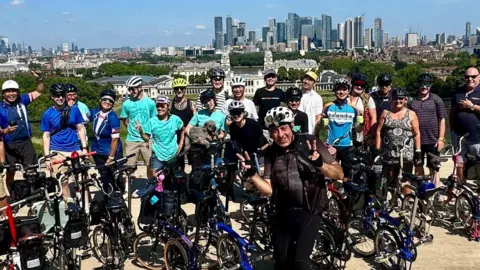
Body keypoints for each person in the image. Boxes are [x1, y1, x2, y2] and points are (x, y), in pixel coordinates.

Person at [237, 106, 343, 270]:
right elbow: (269, 190)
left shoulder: (309, 142)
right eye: (274, 131)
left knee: (300, 263)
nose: (280, 135)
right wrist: (253, 175)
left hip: (310, 211)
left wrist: (320, 164)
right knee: (281, 262)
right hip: (283, 213)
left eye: (283, 128)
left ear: (292, 125)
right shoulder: (271, 152)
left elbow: (339, 173)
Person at [0, 71, 44, 201]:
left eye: (14, 91)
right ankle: (12, 195)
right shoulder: (0, 108)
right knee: (10, 172)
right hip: (9, 144)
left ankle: (33, 196)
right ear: (3, 94)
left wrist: (40, 79)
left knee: (32, 171)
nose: (11, 94)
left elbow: (39, 91)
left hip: (25, 142)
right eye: (8, 91)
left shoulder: (22, 101)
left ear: (18, 92)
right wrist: (4, 131)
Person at [41, 84, 88, 198]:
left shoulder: (74, 110)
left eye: (62, 95)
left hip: (75, 148)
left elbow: (80, 128)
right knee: (63, 180)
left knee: (83, 179)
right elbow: (46, 136)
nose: (60, 98)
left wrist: (84, 148)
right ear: (52, 97)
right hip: (57, 150)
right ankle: (69, 204)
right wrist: (47, 157)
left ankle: (86, 204)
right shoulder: (48, 114)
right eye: (57, 96)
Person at [317, 78, 363, 181]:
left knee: (346, 175)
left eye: (344, 89)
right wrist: (321, 123)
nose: (341, 92)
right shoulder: (328, 106)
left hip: (346, 145)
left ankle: (345, 194)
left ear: (348, 91)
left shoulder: (354, 110)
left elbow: (358, 130)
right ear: (335, 91)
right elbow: (322, 127)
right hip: (330, 144)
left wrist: (361, 123)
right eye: (339, 89)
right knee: (329, 174)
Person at [375, 88, 422, 182]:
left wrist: (418, 151)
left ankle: (406, 196)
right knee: (389, 180)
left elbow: (416, 134)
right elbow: (379, 131)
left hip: (406, 153)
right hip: (389, 152)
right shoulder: (385, 113)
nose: (398, 101)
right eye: (395, 98)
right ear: (391, 99)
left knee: (405, 180)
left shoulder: (411, 114)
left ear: (405, 99)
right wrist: (378, 149)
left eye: (401, 98)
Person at [408, 73, 446, 186]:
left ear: (430, 85)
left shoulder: (436, 100)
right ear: (418, 85)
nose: (424, 87)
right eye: (422, 84)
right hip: (417, 141)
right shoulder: (411, 101)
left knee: (434, 167)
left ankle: (435, 189)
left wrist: (441, 138)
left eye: (427, 84)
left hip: (432, 140)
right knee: (418, 165)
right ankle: (421, 189)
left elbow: (442, 120)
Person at [120, 75, 157, 180]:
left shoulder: (150, 103)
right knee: (129, 167)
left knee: (150, 166)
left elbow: (153, 120)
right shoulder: (126, 104)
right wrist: (131, 129)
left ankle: (151, 186)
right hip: (132, 140)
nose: (131, 91)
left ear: (140, 87)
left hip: (147, 139)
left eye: (133, 89)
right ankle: (129, 188)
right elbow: (124, 120)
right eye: (129, 89)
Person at [137, 96, 185, 173]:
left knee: (174, 180)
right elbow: (147, 138)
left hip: (173, 155)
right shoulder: (152, 121)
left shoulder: (175, 119)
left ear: (168, 107)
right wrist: (141, 132)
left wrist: (181, 143)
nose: (159, 108)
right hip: (157, 156)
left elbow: (183, 130)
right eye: (157, 106)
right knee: (156, 179)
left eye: (162, 106)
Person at [450, 67, 480, 182]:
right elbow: (452, 113)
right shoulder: (458, 92)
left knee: (478, 164)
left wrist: (472, 106)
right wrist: (452, 131)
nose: (470, 79)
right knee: (459, 163)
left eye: (473, 76)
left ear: (479, 77)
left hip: (477, 137)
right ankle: (461, 187)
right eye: (467, 77)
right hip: (459, 136)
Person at [89, 89, 123, 188]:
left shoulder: (113, 117)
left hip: (110, 151)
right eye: (105, 99)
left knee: (115, 175)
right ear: (100, 100)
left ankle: (117, 195)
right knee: (104, 175)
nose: (107, 102)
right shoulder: (94, 112)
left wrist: (111, 157)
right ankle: (107, 193)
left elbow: (115, 139)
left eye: (111, 101)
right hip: (97, 150)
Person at [186, 89, 226, 169]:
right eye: (205, 102)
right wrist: (195, 139)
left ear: (214, 100)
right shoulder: (199, 114)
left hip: (213, 146)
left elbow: (222, 134)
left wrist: (215, 137)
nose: (208, 103)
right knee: (199, 171)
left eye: (210, 100)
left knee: (214, 169)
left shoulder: (221, 116)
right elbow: (188, 128)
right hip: (198, 146)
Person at [170, 78, 195, 172]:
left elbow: (195, 118)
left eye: (181, 88)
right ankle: (180, 180)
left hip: (189, 135)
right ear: (174, 90)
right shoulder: (170, 105)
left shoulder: (191, 103)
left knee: (193, 160)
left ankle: (193, 179)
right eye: (177, 88)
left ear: (185, 89)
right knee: (179, 161)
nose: (179, 90)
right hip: (176, 136)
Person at [253, 69, 285, 142]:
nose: (270, 78)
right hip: (263, 126)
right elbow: (255, 108)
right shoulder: (259, 92)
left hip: (276, 125)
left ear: (276, 78)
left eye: (272, 77)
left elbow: (289, 103)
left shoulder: (279, 92)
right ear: (265, 78)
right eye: (268, 77)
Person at [348, 73, 377, 146]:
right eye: (357, 84)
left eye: (362, 85)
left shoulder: (367, 99)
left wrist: (372, 135)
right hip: (344, 134)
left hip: (361, 135)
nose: (359, 87)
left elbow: (373, 117)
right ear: (352, 84)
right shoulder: (344, 97)